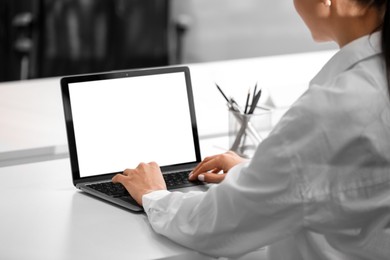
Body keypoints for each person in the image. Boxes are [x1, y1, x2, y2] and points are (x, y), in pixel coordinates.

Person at [112, 0, 390, 259]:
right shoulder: (370, 84)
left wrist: (153, 194)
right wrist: (262, 171)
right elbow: (344, 182)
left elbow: (215, 226)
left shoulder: (332, 108)